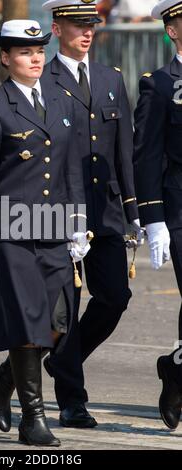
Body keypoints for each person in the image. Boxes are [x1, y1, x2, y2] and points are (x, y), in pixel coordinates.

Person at [0, 19, 89, 446]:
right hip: (11, 229)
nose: (35, 57)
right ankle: (32, 419)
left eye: (39, 50)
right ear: (5, 58)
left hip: (55, 227)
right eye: (23, 51)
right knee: (25, 322)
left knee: (58, 323)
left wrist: (78, 222)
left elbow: (72, 166)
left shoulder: (61, 100)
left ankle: (6, 377)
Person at [38, 0, 141, 428]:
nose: (87, 32)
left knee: (115, 297)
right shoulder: (42, 77)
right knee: (65, 308)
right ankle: (72, 400)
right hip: (62, 210)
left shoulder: (110, 77)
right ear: (57, 27)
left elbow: (124, 150)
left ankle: (42, 367)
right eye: (78, 25)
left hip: (107, 209)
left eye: (92, 25)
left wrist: (135, 210)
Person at [133, 0, 182, 431]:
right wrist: (153, 218)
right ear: (172, 31)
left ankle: (176, 368)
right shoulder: (160, 84)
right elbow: (146, 154)